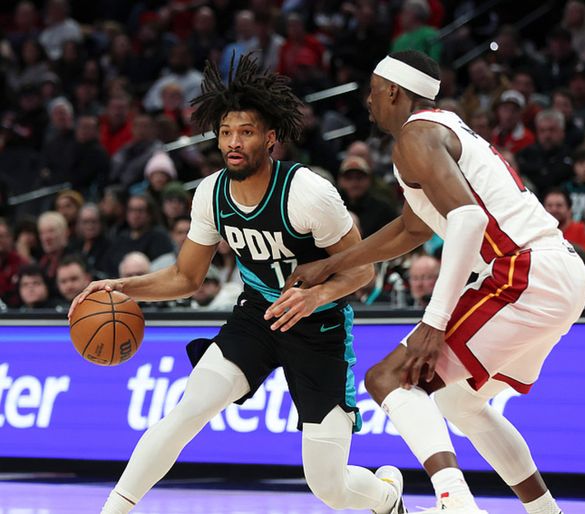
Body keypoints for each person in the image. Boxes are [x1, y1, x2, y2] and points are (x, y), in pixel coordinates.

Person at [69, 55, 405, 514]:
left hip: (319, 329)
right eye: (226, 132)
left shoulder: (307, 192)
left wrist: (316, 296)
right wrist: (120, 286)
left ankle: (387, 498)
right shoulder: (211, 193)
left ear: (269, 138)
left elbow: (362, 270)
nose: (233, 141)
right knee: (187, 411)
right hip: (257, 318)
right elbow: (185, 277)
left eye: (245, 132)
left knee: (328, 486)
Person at [277, 50, 585, 514]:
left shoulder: (415, 135)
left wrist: (434, 321)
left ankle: (455, 503)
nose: (368, 102)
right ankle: (546, 512)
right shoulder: (442, 130)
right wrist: (331, 264)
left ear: (393, 91)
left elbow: (467, 219)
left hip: (523, 272)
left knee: (390, 378)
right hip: (558, 272)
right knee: (461, 403)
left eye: (372, 91)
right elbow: (412, 228)